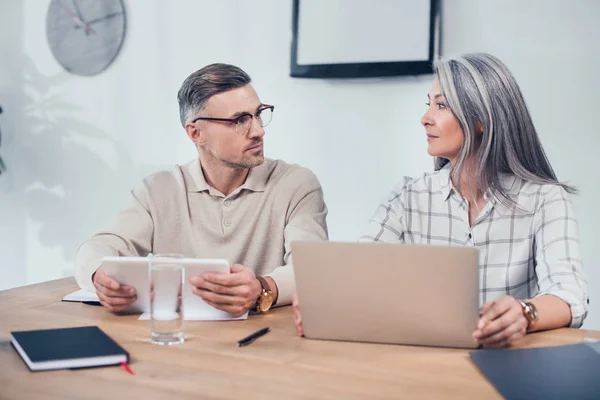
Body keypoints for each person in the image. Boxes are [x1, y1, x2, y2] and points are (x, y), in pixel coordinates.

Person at [293, 53, 588, 348]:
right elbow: (359, 276)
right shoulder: (409, 197)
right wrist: (323, 302)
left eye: (441, 105)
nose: (425, 118)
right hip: (427, 361)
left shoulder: (544, 199)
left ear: (481, 120)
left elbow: (569, 295)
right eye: (429, 104)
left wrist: (525, 313)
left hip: (510, 361)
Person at [75, 63, 328, 316]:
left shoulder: (296, 184)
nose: (258, 131)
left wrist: (263, 289)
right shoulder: (158, 191)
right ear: (196, 133)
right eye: (240, 120)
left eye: (258, 114)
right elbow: (100, 246)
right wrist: (100, 276)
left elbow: (314, 270)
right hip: (180, 341)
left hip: (265, 344)